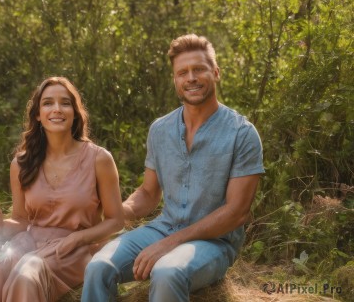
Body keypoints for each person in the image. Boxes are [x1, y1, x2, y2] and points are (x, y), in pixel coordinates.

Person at [81, 34, 265, 302]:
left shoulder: (242, 134)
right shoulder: (160, 129)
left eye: (199, 69)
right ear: (175, 80)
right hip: (163, 228)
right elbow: (147, 193)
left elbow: (236, 213)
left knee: (167, 272)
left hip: (214, 242)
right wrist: (115, 211)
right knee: (99, 266)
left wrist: (171, 243)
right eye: (182, 72)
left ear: (215, 73)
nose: (191, 77)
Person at [0, 77, 124, 302]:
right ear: (37, 114)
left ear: (75, 112)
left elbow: (115, 221)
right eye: (48, 103)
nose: (57, 109)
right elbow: (22, 220)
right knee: (0, 271)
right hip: (30, 241)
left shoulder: (99, 159)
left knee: (27, 272)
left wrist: (79, 238)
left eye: (65, 103)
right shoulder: (21, 163)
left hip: (74, 250)